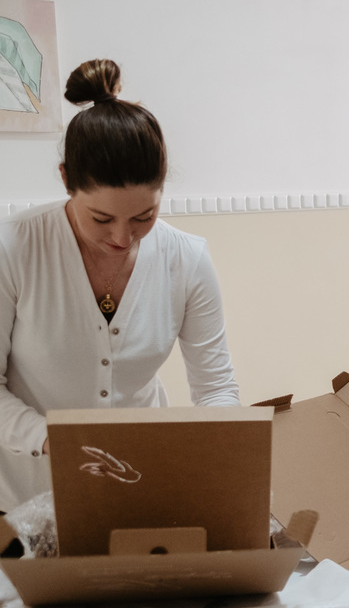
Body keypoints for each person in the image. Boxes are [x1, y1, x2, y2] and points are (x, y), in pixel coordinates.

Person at [0, 58, 239, 512]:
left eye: (143, 217)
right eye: (102, 219)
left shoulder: (186, 259)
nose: (122, 238)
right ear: (66, 179)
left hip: (136, 492)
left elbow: (215, 389)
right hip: (20, 499)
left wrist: (222, 455)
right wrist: (53, 442)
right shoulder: (13, 248)